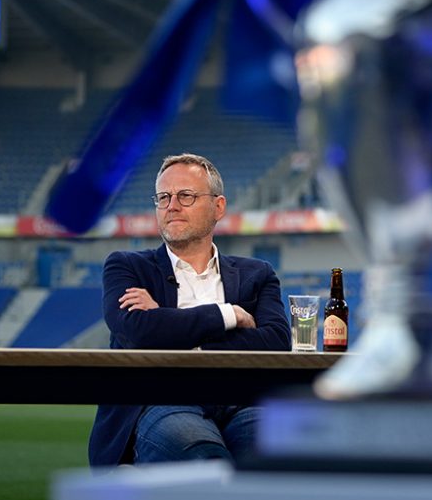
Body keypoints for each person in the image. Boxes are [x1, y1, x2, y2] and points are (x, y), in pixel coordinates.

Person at [88, 153, 291, 467]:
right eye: (163, 197)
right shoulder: (126, 266)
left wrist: (174, 329)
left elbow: (276, 341)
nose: (172, 206)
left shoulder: (258, 273)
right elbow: (138, 330)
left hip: (242, 403)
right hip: (162, 401)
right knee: (204, 460)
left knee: (277, 459)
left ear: (218, 207)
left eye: (185, 196)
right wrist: (229, 315)